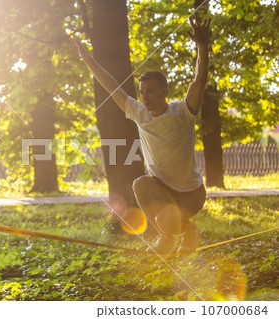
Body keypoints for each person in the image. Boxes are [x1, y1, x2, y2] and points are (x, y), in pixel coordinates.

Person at [70, 13, 211, 254]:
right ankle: (172, 236)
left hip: (191, 195)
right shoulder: (138, 112)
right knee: (140, 184)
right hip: (162, 190)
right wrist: (86, 58)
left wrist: (202, 46)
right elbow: (111, 85)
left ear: (165, 91)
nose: (145, 98)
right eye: (143, 92)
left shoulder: (182, 112)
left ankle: (185, 230)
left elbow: (199, 80)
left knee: (164, 212)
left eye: (152, 92)